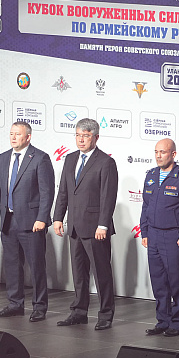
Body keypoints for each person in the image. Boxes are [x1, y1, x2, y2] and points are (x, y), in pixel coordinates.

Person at [53, 118, 118, 330]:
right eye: (78, 135)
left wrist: (103, 225)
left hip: (96, 228)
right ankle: (79, 312)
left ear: (96, 137)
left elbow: (108, 197)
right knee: (79, 273)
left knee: (101, 273)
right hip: (74, 226)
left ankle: (105, 314)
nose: (81, 140)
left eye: (86, 136)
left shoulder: (106, 162)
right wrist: (57, 217)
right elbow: (63, 191)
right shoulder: (70, 159)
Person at [0, 121, 55, 322]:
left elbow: (47, 192)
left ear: (28, 137)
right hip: (8, 220)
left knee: (36, 266)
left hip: (32, 222)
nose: (13, 137)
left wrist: (42, 218)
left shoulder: (40, 158)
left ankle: (39, 307)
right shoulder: (3, 158)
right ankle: (15, 304)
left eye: (17, 134)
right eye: (11, 134)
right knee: (12, 265)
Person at [140, 138, 179, 337]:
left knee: (176, 281)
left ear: (173, 154)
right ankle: (163, 321)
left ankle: (176, 323)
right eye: (156, 152)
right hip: (153, 235)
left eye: (163, 152)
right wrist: (145, 232)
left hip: (173, 236)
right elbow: (146, 206)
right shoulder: (150, 175)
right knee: (158, 281)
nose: (158, 156)